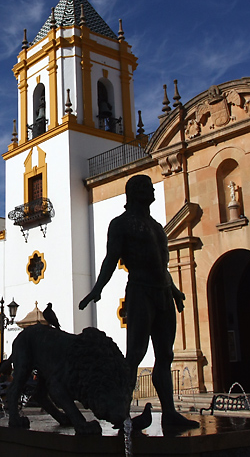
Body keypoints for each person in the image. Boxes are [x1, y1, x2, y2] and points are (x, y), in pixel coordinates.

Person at [79, 174, 197, 429]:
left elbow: (160, 264)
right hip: (140, 291)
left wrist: (174, 290)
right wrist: (98, 289)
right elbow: (111, 259)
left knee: (165, 355)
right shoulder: (121, 224)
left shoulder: (155, 226)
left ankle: (170, 414)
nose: (153, 192)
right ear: (135, 192)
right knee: (135, 354)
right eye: (148, 188)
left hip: (163, 292)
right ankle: (122, 414)